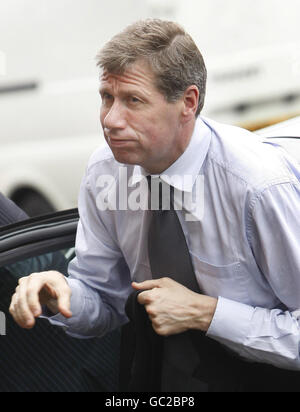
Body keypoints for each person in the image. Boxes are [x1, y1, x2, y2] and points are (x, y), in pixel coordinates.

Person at [9, 19, 300, 392]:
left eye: (133, 100)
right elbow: (103, 303)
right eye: (106, 97)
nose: (111, 120)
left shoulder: (257, 187)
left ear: (188, 103)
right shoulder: (106, 172)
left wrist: (206, 313)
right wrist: (59, 293)